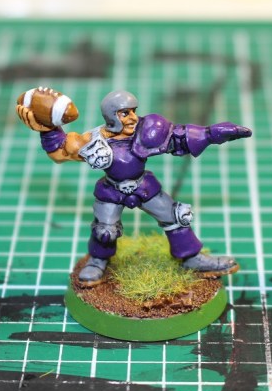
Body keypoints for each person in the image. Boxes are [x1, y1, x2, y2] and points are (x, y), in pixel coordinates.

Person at [17, 89, 251, 287]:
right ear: (111, 116)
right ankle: (98, 261)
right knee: (104, 229)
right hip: (112, 191)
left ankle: (192, 258)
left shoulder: (146, 130)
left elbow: (178, 138)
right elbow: (60, 153)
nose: (132, 118)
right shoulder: (93, 140)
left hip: (143, 187)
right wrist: (47, 130)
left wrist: (211, 134)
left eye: (133, 111)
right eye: (124, 113)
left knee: (176, 217)